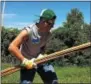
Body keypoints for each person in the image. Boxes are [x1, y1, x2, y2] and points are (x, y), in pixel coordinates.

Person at [8, 9, 58, 84]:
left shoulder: (48, 33)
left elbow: (43, 46)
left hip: (40, 60)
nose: (52, 26)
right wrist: (24, 61)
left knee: (53, 81)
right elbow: (12, 47)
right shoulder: (28, 31)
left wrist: (42, 54)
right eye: (50, 24)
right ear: (43, 20)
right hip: (27, 62)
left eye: (53, 24)